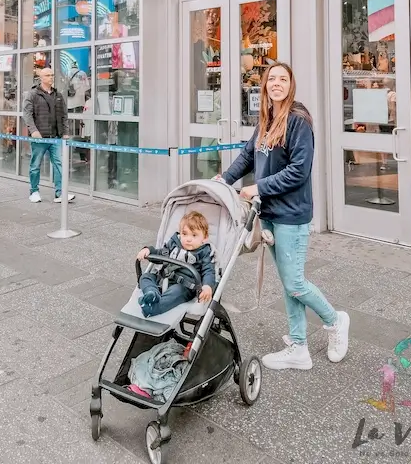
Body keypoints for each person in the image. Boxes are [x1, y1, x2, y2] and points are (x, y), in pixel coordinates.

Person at [219, 62, 350, 371]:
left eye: (283, 79)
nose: (276, 83)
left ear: (291, 86)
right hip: (270, 212)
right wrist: (224, 180)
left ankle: (335, 321)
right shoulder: (267, 118)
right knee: (289, 283)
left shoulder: (298, 121)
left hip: (292, 214)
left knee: (295, 282)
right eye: (272, 79)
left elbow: (299, 171)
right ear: (265, 85)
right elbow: (248, 156)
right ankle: (298, 347)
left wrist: (257, 187)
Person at [136, 211, 215, 318]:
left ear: (205, 237)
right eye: (184, 234)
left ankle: (154, 308)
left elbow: (208, 271)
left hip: (184, 286)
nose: (188, 239)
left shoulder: (204, 252)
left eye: (194, 235)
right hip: (163, 278)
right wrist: (149, 250)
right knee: (145, 277)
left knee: (176, 292)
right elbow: (161, 253)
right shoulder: (174, 244)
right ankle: (152, 293)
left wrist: (207, 286)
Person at [22, 67, 75, 204]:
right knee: (35, 165)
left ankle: (60, 192)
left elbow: (64, 115)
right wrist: (33, 130)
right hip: (40, 137)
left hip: (55, 137)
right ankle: (34, 191)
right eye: (47, 75)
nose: (51, 77)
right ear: (41, 78)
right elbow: (27, 114)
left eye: (52, 75)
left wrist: (65, 132)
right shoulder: (33, 94)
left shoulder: (58, 95)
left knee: (59, 164)